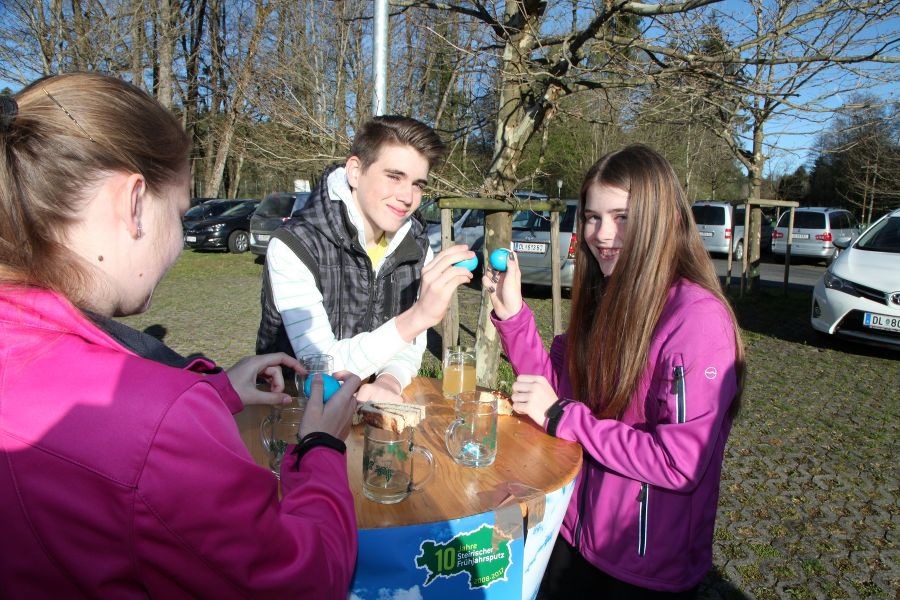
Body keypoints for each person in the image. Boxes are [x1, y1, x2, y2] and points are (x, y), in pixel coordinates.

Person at [0, 73, 361, 597]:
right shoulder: (159, 426)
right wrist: (321, 445)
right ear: (133, 202)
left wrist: (215, 391)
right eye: (179, 212)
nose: (176, 245)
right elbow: (304, 581)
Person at [484, 145, 746, 598]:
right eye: (591, 217)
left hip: (639, 566)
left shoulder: (697, 319)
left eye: (622, 217)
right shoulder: (605, 295)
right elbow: (551, 394)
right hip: (569, 530)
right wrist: (513, 314)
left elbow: (678, 464)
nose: (603, 235)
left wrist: (564, 417)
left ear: (661, 220)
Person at [257, 116, 474, 403]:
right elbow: (322, 370)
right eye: (394, 177)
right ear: (355, 172)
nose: (407, 197)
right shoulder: (294, 245)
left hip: (372, 417)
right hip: (292, 415)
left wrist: (389, 381)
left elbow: (408, 345)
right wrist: (419, 316)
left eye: (418, 184)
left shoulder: (417, 247)